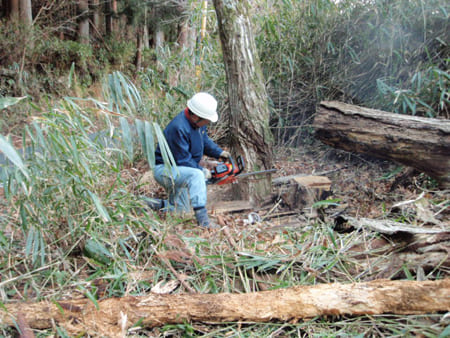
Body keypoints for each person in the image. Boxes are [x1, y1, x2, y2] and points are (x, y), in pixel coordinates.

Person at [148, 92, 230, 228]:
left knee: (181, 212)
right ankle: (204, 221)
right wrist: (203, 171)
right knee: (197, 175)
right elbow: (183, 160)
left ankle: (150, 203)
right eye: (207, 120)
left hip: (179, 169)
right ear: (196, 116)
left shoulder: (198, 124)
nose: (208, 122)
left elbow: (204, 140)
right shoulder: (178, 127)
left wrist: (219, 153)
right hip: (165, 170)